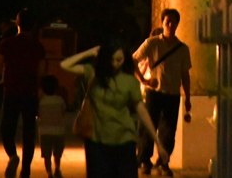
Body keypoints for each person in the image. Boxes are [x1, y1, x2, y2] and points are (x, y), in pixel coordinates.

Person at [60, 40, 168, 178]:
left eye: (119, 59)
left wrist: (158, 142)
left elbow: (142, 111)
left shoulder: (129, 81)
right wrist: (90, 52)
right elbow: (64, 65)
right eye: (111, 59)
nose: (115, 64)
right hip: (97, 142)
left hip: (124, 141)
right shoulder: (94, 74)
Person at [132, 9, 191, 176]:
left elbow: (185, 74)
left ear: (178, 24)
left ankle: (163, 162)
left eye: (173, 22)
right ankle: (144, 160)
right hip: (154, 93)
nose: (170, 25)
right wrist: (143, 81)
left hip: (172, 94)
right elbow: (133, 59)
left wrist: (187, 97)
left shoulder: (182, 49)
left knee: (168, 130)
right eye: (167, 22)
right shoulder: (152, 43)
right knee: (147, 128)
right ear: (162, 23)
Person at [0, 9, 46, 178]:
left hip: (11, 91)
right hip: (30, 93)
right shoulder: (38, 47)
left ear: (17, 23)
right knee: (28, 133)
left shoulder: (6, 44)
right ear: (33, 26)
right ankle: (26, 169)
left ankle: (13, 156)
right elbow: (40, 73)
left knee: (6, 129)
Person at [37, 76, 67, 178]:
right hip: (59, 131)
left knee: (46, 155)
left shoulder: (41, 101)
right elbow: (63, 112)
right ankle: (57, 168)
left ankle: (49, 173)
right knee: (57, 153)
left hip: (44, 132)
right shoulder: (60, 100)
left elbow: (38, 115)